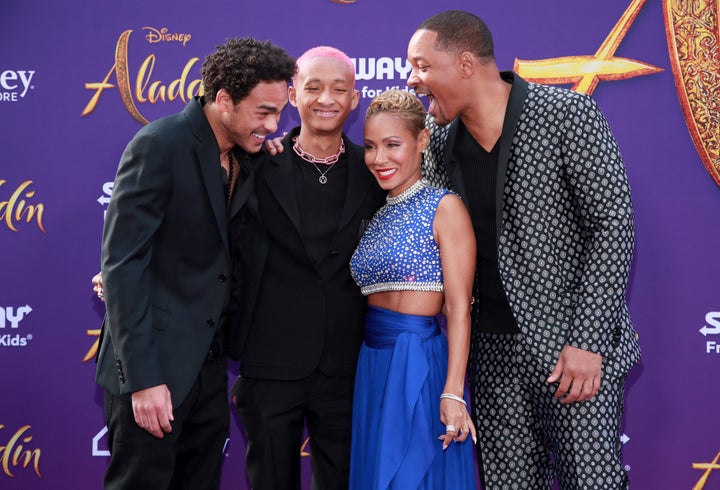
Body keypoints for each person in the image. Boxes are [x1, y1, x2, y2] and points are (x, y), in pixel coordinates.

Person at [407, 10, 641, 490]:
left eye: (422, 66)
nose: (414, 79)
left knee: (591, 482)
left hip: (573, 352)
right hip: (490, 354)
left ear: (466, 64)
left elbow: (612, 224)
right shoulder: (440, 146)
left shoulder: (566, 115)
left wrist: (589, 341)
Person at [94, 37, 296, 489]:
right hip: (154, 368)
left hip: (207, 370)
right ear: (224, 100)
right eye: (264, 111)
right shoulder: (159, 145)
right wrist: (143, 380)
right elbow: (123, 266)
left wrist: (264, 149)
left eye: (280, 112)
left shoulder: (245, 155)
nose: (273, 124)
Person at [229, 46, 386, 490]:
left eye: (339, 88)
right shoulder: (257, 162)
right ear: (293, 93)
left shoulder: (375, 170)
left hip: (348, 361)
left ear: (356, 99)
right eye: (313, 87)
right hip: (270, 360)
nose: (326, 99)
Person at [348, 89, 477, 489]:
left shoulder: (445, 207)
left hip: (419, 364)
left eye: (392, 145)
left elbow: (458, 309)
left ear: (422, 141)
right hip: (373, 365)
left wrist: (453, 392)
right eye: (370, 146)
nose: (378, 158)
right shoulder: (377, 213)